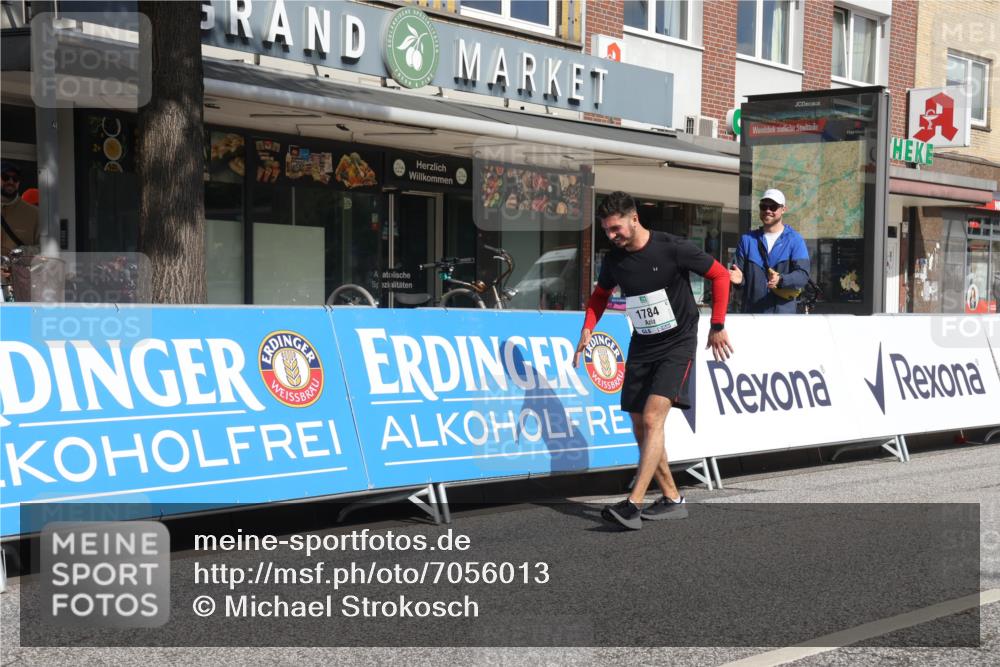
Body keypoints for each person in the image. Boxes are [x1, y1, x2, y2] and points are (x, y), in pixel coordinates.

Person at [573, 191, 734, 530]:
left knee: (651, 419)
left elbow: (719, 276)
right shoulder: (615, 260)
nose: (612, 236)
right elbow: (600, 295)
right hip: (643, 344)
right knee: (639, 424)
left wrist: (717, 325)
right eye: (606, 231)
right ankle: (673, 499)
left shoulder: (671, 247)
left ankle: (634, 504)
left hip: (678, 343)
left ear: (635, 219)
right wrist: (589, 328)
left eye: (616, 229)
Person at [729, 188, 810, 314]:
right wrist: (739, 281)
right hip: (752, 315)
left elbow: (803, 275)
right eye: (764, 206)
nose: (767, 210)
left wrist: (781, 279)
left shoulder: (795, 240)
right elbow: (739, 279)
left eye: (773, 207)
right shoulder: (747, 240)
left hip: (782, 319)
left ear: (783, 209)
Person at [1, 162, 39, 257]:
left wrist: (23, 252)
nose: (11, 182)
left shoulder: (35, 214)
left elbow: (45, 248)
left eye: (15, 179)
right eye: (5, 177)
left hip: (20, 270)